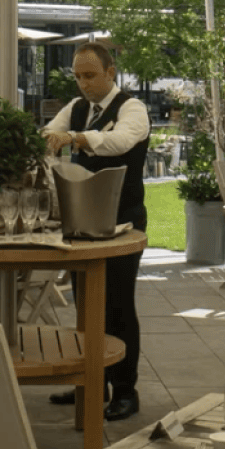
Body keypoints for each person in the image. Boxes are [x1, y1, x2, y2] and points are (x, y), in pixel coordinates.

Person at [41, 42, 149, 422]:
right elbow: (51, 131)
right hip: (81, 220)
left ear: (110, 72)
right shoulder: (77, 109)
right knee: (86, 304)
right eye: (77, 76)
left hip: (124, 219)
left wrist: (76, 139)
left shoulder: (133, 108)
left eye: (90, 75)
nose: (83, 84)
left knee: (118, 304)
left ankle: (125, 391)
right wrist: (51, 138)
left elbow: (119, 141)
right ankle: (91, 380)